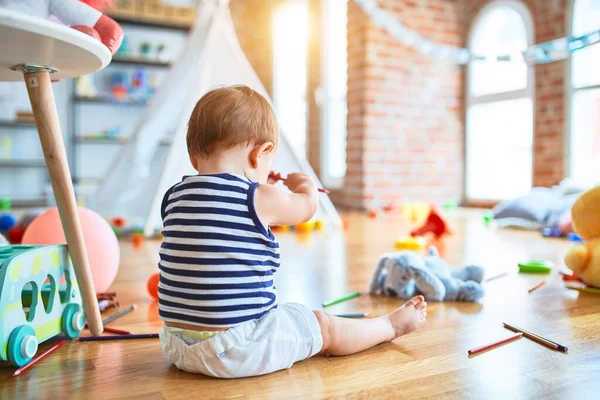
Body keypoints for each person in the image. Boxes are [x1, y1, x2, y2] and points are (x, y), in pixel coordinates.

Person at [158, 85, 427, 378]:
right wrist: (305, 186)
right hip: (235, 349)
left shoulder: (173, 196)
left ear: (194, 157)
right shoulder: (259, 197)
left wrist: (264, 188)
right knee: (323, 324)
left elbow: (216, 214)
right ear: (260, 154)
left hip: (176, 345)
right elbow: (307, 207)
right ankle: (389, 326)